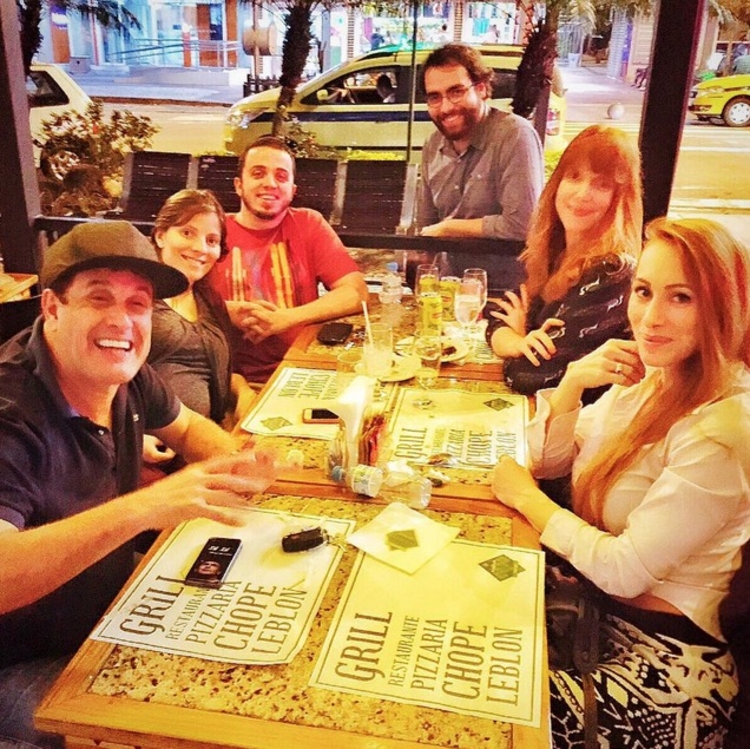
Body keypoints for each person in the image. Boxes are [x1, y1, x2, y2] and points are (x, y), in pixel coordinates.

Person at [0, 220, 279, 749]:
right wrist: (147, 506)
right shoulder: (11, 414)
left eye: (138, 304)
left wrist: (236, 462)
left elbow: (188, 428)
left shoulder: (124, 371)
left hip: (107, 608)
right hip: (22, 662)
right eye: (98, 298)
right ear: (52, 307)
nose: (122, 320)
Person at [491, 217, 750, 748]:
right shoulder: (652, 378)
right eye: (644, 292)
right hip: (595, 619)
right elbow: (547, 461)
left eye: (681, 298)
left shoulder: (726, 428)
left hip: (668, 670)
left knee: (482, 716)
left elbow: (625, 570)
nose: (651, 318)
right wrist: (573, 382)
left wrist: (527, 500)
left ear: (723, 307)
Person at [484, 125, 643, 396]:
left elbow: (529, 376)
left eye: (602, 185)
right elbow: (497, 314)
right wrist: (516, 342)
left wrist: (519, 337)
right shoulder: (556, 252)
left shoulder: (612, 271)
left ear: (620, 200)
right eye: (574, 177)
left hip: (583, 419)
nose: (582, 194)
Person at [207, 136, 368, 384]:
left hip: (303, 371)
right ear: (239, 185)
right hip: (231, 381)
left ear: (292, 190)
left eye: (281, 176)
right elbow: (174, 303)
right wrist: (225, 311)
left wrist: (286, 318)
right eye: (258, 174)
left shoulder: (308, 224)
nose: (270, 183)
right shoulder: (212, 232)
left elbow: (356, 292)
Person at [417, 43, 544, 285]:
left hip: (508, 292)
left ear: (482, 88)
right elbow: (426, 225)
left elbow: (523, 224)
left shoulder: (515, 135)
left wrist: (450, 228)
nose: (445, 107)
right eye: (435, 97)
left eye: (456, 92)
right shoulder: (433, 144)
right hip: (449, 287)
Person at [147, 189, 255, 431]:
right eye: (187, 233)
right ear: (161, 236)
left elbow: (219, 372)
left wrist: (243, 391)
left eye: (212, 241)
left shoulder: (208, 299)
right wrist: (138, 439)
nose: (201, 248)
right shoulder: (138, 302)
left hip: (208, 434)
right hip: (154, 446)